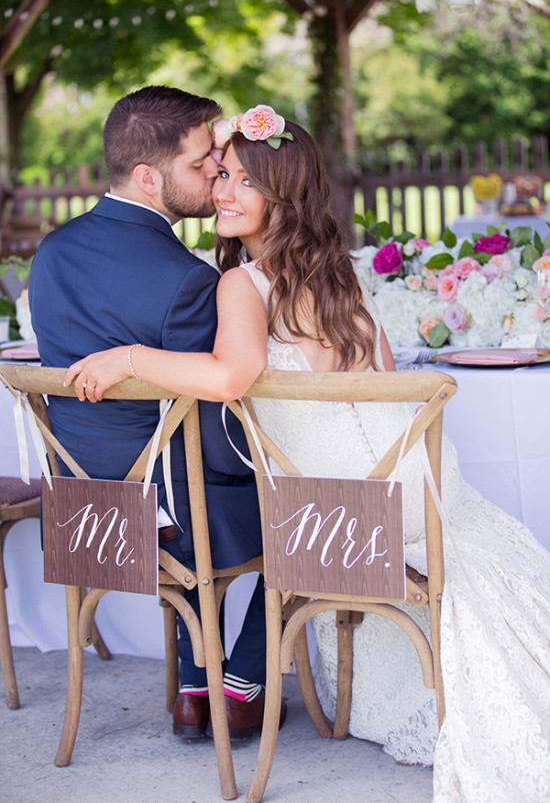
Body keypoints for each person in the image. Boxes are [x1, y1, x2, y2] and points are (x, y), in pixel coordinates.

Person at [63, 105, 550, 803]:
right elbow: (387, 383)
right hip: (416, 489)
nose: (222, 192)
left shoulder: (241, 283)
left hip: (339, 512)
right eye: (220, 175)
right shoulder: (343, 274)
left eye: (241, 182)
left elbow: (229, 377)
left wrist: (128, 357)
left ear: (283, 197)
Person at [28, 86, 271, 743]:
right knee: (295, 508)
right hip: (170, 515)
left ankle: (197, 684)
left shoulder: (49, 254)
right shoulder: (187, 279)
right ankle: (230, 681)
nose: (214, 175)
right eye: (200, 165)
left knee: (190, 470)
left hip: (81, 509)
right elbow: (215, 427)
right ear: (148, 177)